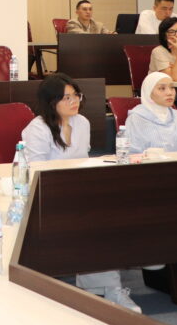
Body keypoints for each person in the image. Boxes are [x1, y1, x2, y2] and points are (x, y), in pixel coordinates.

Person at [20, 74, 141, 312]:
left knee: (117, 207)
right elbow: (36, 171)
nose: (74, 101)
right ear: (51, 101)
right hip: (45, 196)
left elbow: (82, 160)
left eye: (76, 95)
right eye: (66, 97)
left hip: (77, 191)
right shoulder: (37, 129)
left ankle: (106, 282)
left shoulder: (82, 123)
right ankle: (109, 289)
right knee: (96, 219)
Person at [127, 72, 177, 153]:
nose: (169, 93)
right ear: (148, 92)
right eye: (162, 88)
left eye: (172, 87)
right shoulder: (136, 118)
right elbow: (132, 154)